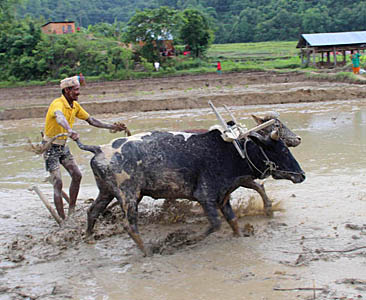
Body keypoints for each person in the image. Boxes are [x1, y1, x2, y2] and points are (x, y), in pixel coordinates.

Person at [43, 74, 126, 220]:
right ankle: (63, 220)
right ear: (67, 91)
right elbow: (60, 117)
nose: (78, 92)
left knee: (77, 175)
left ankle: (72, 210)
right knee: (58, 182)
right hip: (50, 147)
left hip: (62, 146)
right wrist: (69, 130)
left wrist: (111, 126)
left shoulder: (74, 106)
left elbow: (91, 120)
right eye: (76, 90)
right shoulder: (57, 104)